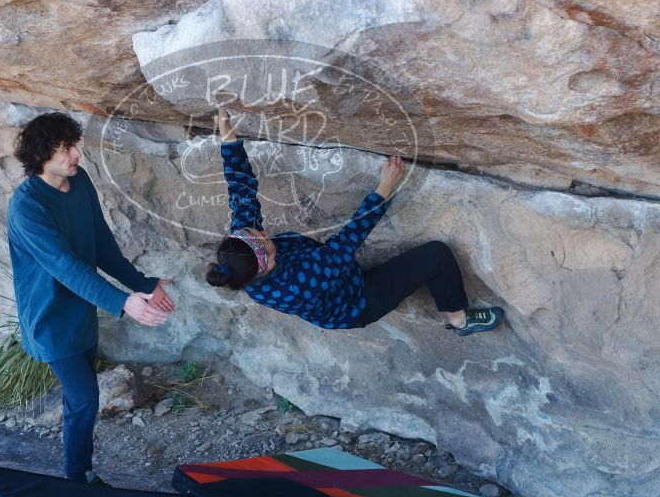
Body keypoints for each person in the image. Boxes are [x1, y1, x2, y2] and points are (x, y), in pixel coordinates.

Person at [206, 108, 504, 335]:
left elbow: (240, 186)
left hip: (343, 279)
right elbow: (343, 246)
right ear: (265, 269)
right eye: (269, 247)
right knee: (436, 256)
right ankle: (458, 319)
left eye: (257, 232)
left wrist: (227, 135)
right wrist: (384, 187)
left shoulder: (244, 249)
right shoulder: (292, 286)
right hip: (359, 303)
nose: (266, 232)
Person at [6, 112, 175, 486]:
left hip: (80, 311)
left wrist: (142, 283)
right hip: (50, 319)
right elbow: (66, 268)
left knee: (77, 400)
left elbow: (102, 246)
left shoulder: (79, 182)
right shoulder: (27, 208)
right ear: (40, 156)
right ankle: (76, 477)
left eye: (74, 145)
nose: (75, 154)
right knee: (84, 398)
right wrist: (122, 302)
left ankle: (79, 473)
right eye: (64, 148)